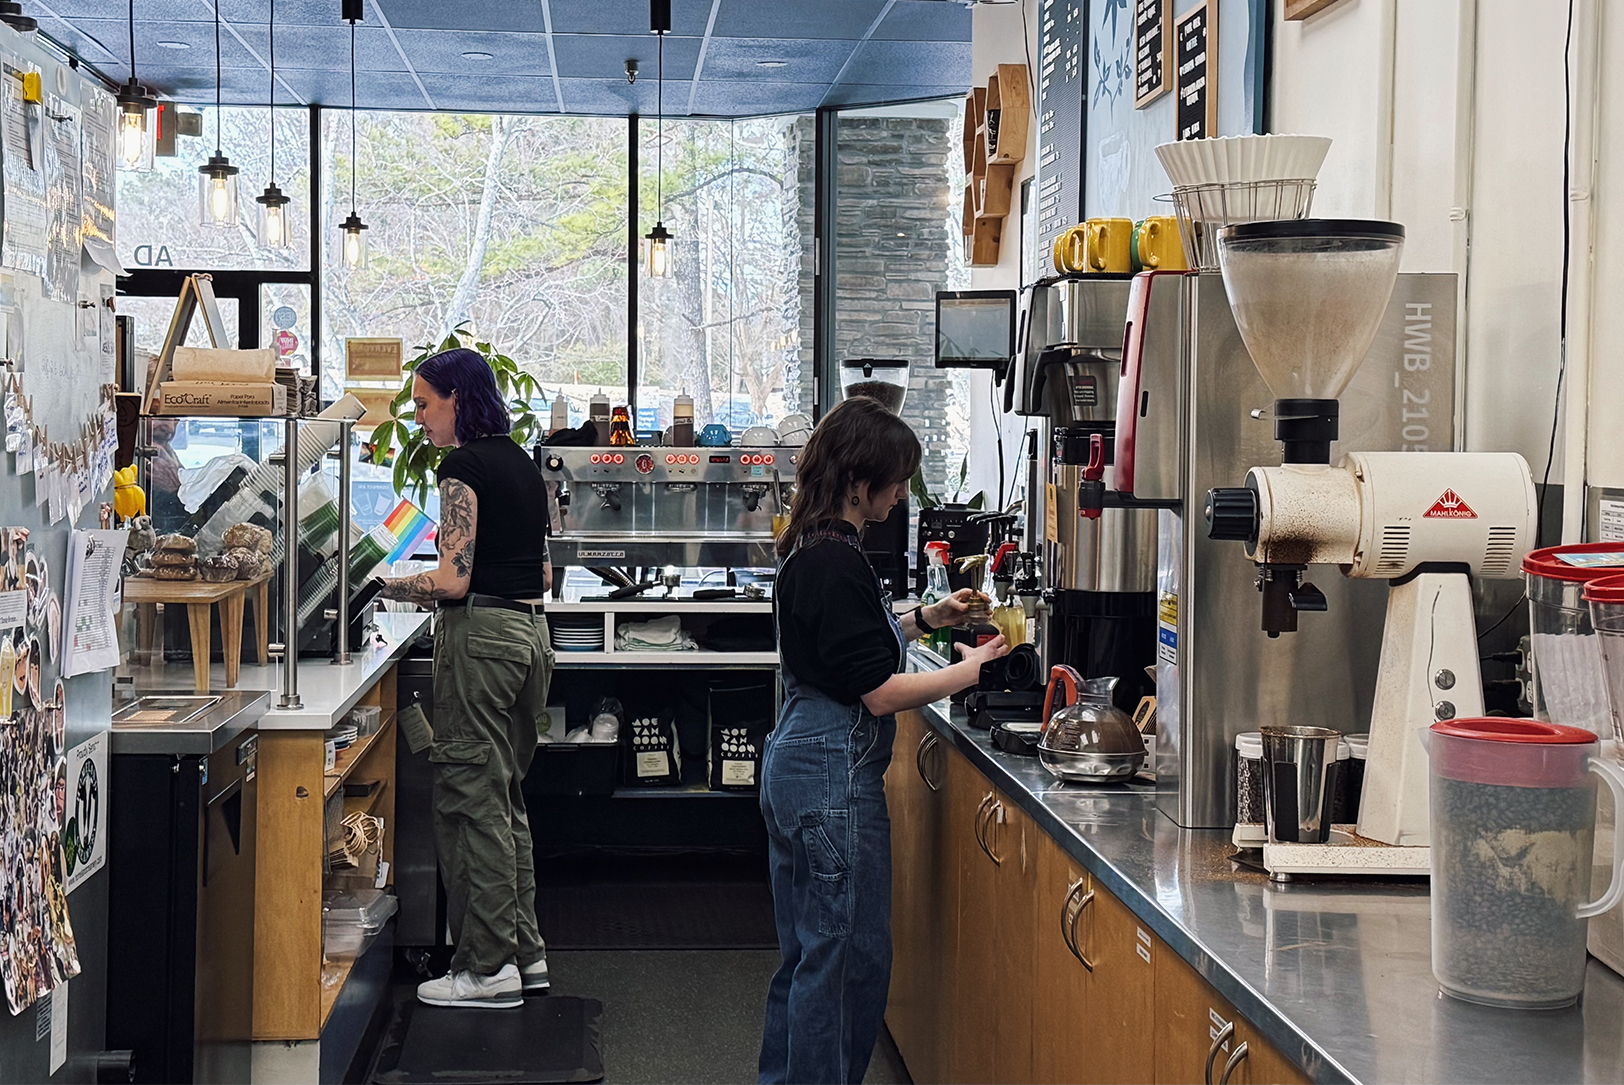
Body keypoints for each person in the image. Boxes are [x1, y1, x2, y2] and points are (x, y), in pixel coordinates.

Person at [758, 396, 1009, 1084]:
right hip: (832, 780)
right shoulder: (837, 562)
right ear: (856, 480)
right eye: (894, 481)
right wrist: (970, 668)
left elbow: (850, 650)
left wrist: (927, 616)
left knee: (809, 959)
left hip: (799, 764)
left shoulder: (817, 546)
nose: (901, 495)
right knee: (845, 966)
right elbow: (877, 691)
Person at [376, 347, 556, 1010]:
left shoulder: (463, 466)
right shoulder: (520, 463)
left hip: (480, 642)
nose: (418, 416)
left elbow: (452, 578)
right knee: (503, 798)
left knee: (470, 800)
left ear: (457, 397)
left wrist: (382, 585)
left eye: (424, 402)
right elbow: (539, 572)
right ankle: (525, 954)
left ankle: (485, 968)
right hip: (530, 639)